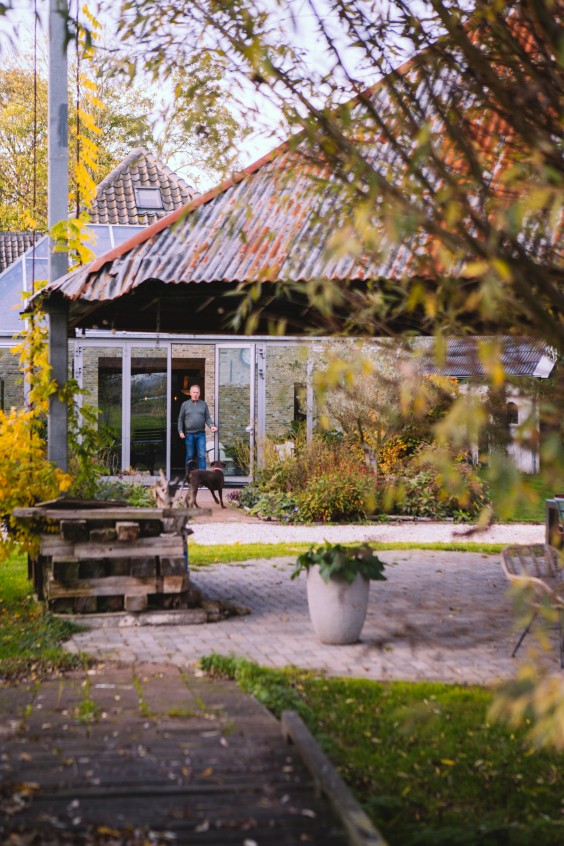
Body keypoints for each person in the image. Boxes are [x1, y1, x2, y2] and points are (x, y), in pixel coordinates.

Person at [178, 385, 217, 470]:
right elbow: (180, 419)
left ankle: (202, 476)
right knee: (189, 456)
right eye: (194, 392)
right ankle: (189, 475)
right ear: (190, 393)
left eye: (197, 392)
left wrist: (211, 426)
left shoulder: (204, 404)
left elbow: (207, 417)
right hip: (189, 434)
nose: (195, 394)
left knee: (202, 456)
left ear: (199, 394)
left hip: (201, 434)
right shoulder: (185, 405)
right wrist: (180, 431)